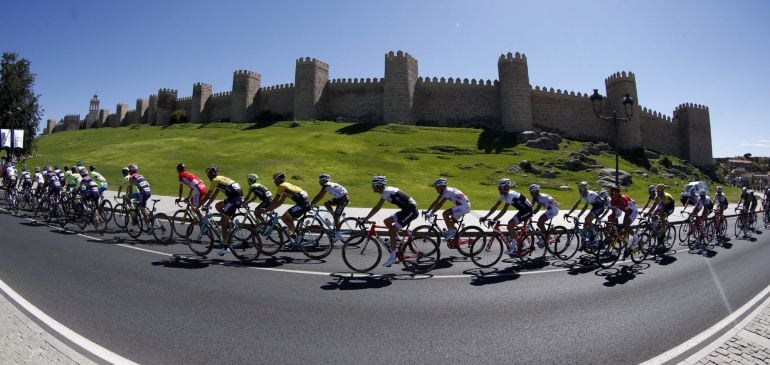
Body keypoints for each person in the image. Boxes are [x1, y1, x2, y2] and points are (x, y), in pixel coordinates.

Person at [362, 176, 418, 267]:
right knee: (387, 221)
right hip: (406, 210)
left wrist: (366, 218)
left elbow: (377, 207)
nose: (372, 187)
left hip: (411, 211)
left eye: (373, 185)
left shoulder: (386, 192)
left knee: (392, 231)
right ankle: (397, 241)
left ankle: (393, 257)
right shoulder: (388, 190)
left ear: (379, 186)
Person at [480, 178, 533, 254]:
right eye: (499, 187)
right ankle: (519, 242)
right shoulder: (503, 195)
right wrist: (486, 217)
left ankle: (515, 248)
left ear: (506, 187)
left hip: (528, 210)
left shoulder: (510, 195)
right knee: (510, 226)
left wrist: (494, 219)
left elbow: (504, 210)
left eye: (500, 187)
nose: (499, 189)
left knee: (511, 225)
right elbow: (495, 207)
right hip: (522, 210)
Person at [200, 165, 243, 255]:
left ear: (209, 175)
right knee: (218, 205)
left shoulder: (215, 180)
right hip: (236, 197)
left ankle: (225, 248)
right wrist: (207, 205)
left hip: (233, 199)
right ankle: (229, 219)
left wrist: (198, 206)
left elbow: (208, 195)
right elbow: (215, 194)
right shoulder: (220, 178)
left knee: (223, 224)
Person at [260, 171, 310, 244]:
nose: (274, 182)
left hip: (302, 204)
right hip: (304, 203)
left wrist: (266, 210)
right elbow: (280, 202)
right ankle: (293, 238)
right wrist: (271, 208)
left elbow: (275, 201)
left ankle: (299, 235)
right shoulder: (287, 185)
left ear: (279, 179)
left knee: (284, 218)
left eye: (275, 179)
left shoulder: (281, 186)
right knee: (289, 218)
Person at [423, 177, 471, 243]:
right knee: (451, 223)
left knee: (445, 213)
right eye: (436, 188)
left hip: (464, 206)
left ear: (443, 186)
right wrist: (428, 210)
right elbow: (436, 201)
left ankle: (451, 232)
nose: (436, 189)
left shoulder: (448, 192)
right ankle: (456, 241)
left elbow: (440, 204)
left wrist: (431, 213)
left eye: (437, 187)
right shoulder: (444, 191)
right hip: (462, 206)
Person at [564, 181, 606, 246]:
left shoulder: (590, 195)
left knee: (587, 219)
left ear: (585, 189)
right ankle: (585, 244)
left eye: (581, 190)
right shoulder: (582, 194)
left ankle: (594, 235)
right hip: (595, 206)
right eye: (579, 190)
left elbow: (585, 207)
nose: (580, 191)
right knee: (585, 226)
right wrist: (569, 213)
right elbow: (576, 204)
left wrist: (578, 216)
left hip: (600, 207)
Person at [310, 173, 349, 242]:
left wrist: (312, 204)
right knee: (326, 204)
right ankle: (335, 216)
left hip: (343, 199)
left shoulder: (326, 185)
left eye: (320, 180)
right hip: (339, 198)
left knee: (336, 217)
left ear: (323, 180)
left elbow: (319, 196)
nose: (319, 182)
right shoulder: (328, 184)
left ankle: (338, 235)